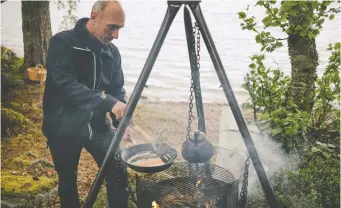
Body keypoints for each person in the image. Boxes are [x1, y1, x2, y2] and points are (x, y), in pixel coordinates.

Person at [42, 1, 131, 207]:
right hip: (63, 125)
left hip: (96, 125)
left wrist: (121, 119)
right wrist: (108, 102)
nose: (116, 35)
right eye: (112, 27)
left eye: (120, 29)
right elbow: (65, 86)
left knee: (118, 170)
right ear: (94, 17)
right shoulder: (63, 42)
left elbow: (116, 90)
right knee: (68, 182)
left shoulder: (112, 52)